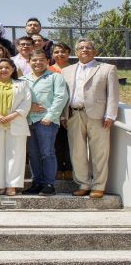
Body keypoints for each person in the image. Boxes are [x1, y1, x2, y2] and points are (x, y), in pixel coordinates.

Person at [62, 39, 119, 199]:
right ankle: (83, 184)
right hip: (74, 114)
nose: (84, 50)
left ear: (94, 52)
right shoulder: (67, 71)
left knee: (99, 152)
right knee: (77, 152)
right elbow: (64, 95)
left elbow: (113, 94)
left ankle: (98, 186)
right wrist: (63, 115)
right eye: (81, 48)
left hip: (98, 116)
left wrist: (110, 115)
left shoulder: (107, 69)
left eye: (88, 48)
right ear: (76, 52)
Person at [0, 58, 32, 196]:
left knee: (16, 155)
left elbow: (26, 103)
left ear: (13, 69)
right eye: (0, 67)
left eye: (7, 67)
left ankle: (12, 186)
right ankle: (0, 185)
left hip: (16, 122)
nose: (3, 70)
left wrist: (12, 116)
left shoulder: (22, 84)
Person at [22, 50, 69, 196]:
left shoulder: (55, 77)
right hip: (28, 121)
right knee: (33, 154)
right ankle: (36, 183)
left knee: (47, 153)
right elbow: (18, 100)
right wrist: (28, 108)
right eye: (34, 60)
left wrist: (50, 116)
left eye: (41, 60)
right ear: (29, 62)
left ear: (47, 61)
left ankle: (49, 184)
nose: (37, 63)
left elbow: (61, 97)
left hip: (46, 121)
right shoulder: (22, 79)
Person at [48, 42, 73, 180]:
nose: (60, 54)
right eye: (56, 52)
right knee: (56, 142)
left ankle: (69, 168)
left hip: (71, 111)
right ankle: (58, 169)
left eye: (63, 51)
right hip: (53, 111)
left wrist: (65, 115)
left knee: (70, 142)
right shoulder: (48, 70)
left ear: (69, 53)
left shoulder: (75, 69)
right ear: (52, 55)